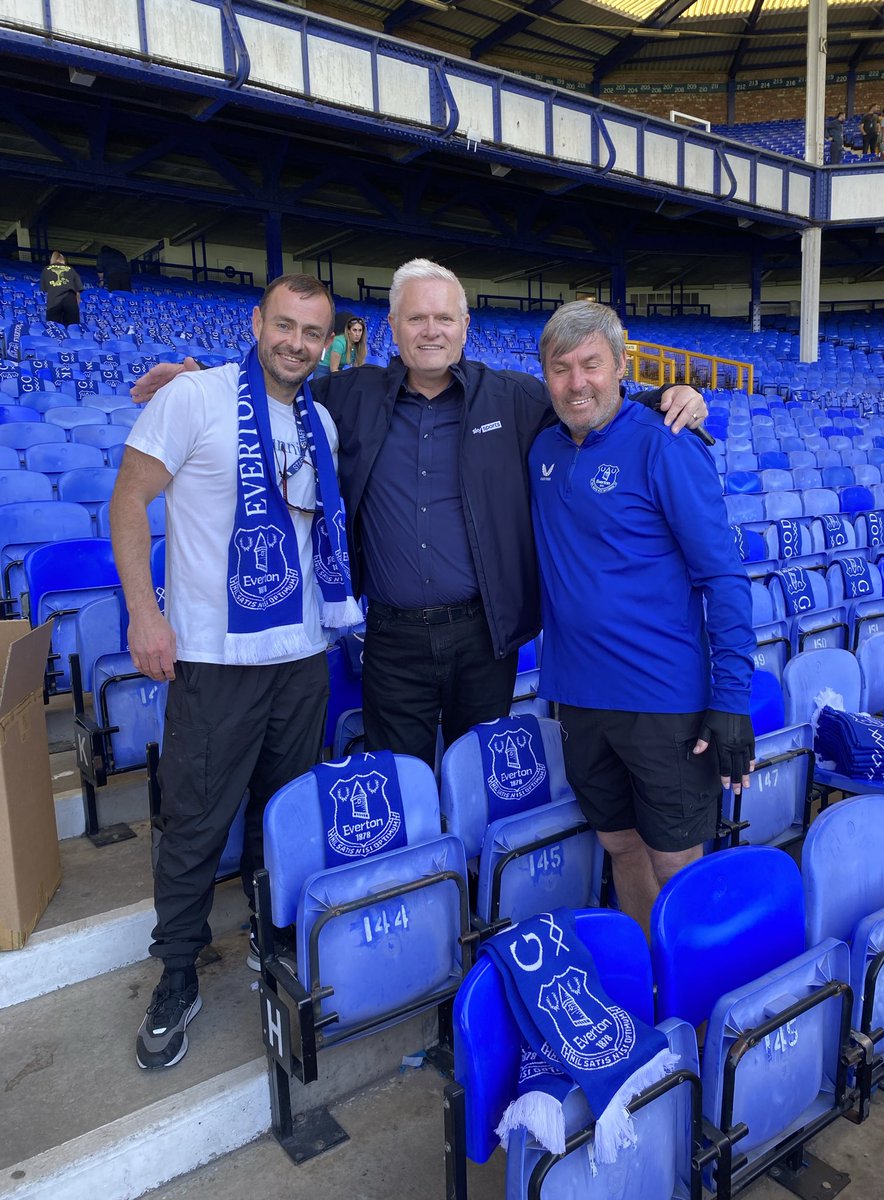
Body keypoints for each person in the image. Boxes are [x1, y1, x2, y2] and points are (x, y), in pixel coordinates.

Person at [131, 259, 708, 767]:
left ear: (464, 329)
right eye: (416, 319)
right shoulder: (349, 396)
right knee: (398, 779)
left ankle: (476, 887)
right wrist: (199, 375)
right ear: (393, 329)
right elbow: (277, 381)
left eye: (444, 319)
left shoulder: (514, 397)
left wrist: (662, 399)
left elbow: (586, 403)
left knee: (482, 776)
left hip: (485, 638)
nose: (431, 331)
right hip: (391, 639)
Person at [110, 273, 361, 1070]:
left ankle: (267, 936)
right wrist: (145, 613)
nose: (295, 343)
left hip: (301, 657)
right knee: (194, 824)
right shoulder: (195, 398)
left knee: (280, 817)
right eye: (283, 325)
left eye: (311, 333)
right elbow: (127, 501)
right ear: (256, 324)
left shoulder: (319, 419)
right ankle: (177, 974)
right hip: (216, 661)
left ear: (329, 343)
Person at [529, 300, 755, 939]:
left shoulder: (666, 442)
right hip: (577, 698)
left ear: (621, 364)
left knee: (678, 862)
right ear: (544, 376)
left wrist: (732, 696)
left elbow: (723, 576)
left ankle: (702, 1010)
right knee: (622, 848)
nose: (578, 383)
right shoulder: (541, 445)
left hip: (662, 701)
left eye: (592, 365)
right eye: (562, 369)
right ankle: (655, 991)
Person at [39, 251, 82, 326]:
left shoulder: (46, 269)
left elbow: (45, 290)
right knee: (73, 328)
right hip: (70, 300)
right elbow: (77, 292)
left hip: (54, 301)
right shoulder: (71, 269)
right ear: (61, 259)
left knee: (53, 328)